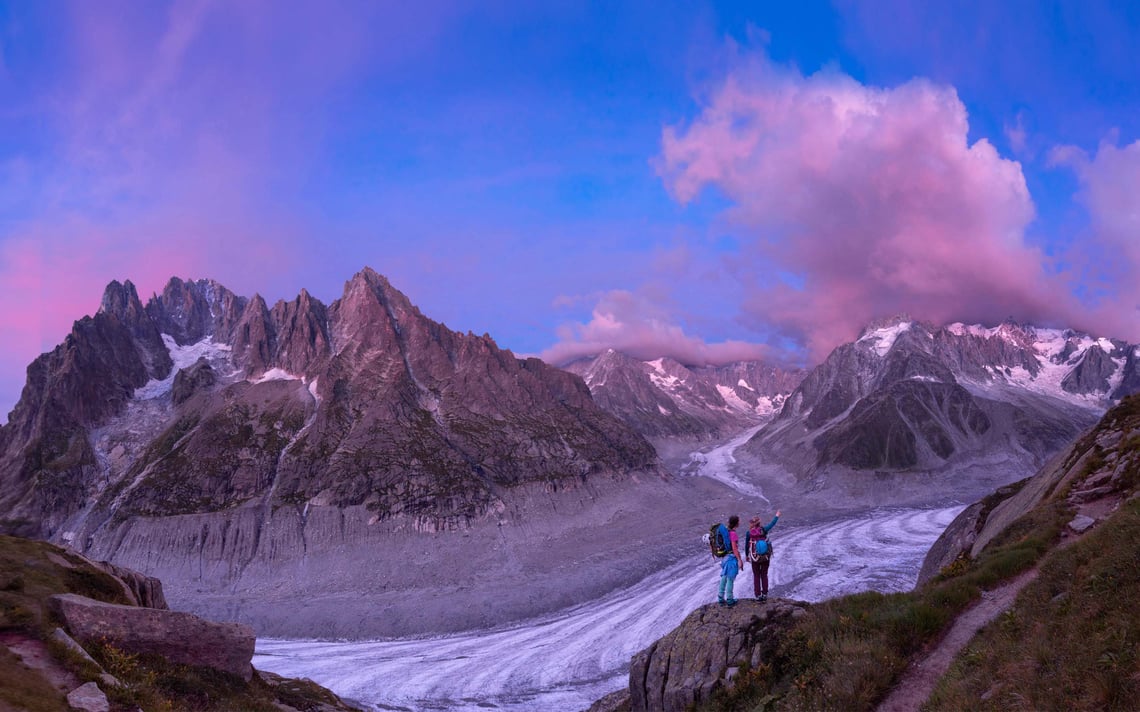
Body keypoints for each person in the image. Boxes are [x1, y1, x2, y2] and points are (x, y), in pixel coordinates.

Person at [746, 510, 780, 602]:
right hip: (765, 557)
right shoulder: (764, 530)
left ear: (752, 524)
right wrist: (777, 516)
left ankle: (758, 595)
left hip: (754, 557)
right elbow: (772, 524)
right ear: (759, 523)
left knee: (756, 575)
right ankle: (764, 594)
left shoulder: (749, 533)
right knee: (764, 575)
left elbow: (746, 546)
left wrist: (747, 556)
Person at [717, 515, 744, 607]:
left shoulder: (726, 532)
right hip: (731, 559)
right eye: (739, 521)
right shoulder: (733, 534)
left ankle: (720, 597)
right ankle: (729, 599)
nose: (740, 522)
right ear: (736, 523)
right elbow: (734, 548)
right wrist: (739, 560)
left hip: (725, 558)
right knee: (730, 579)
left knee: (724, 576)